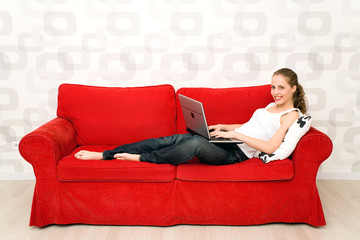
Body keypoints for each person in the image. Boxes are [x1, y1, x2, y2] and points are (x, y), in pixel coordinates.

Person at [75, 68, 307, 165]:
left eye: (281, 88)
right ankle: (106, 154)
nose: (276, 92)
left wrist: (237, 135)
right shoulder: (270, 106)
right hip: (230, 140)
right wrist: (224, 128)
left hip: (236, 154)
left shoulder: (290, 115)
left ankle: (140, 159)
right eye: (273, 87)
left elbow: (269, 146)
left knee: (195, 143)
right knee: (174, 138)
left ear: (293, 89)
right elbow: (251, 125)